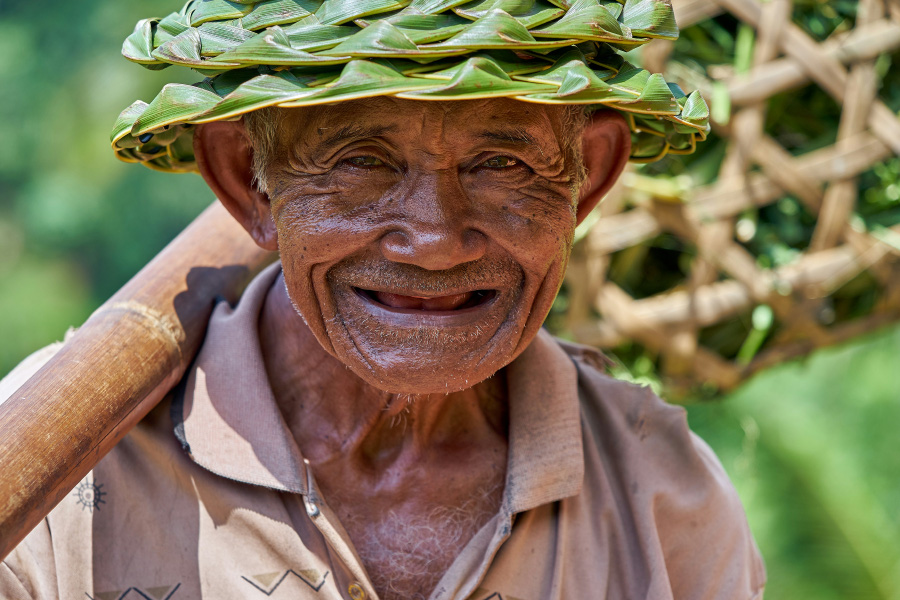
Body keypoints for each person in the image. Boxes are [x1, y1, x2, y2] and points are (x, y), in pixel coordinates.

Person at [0, 2, 765, 599]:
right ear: (245, 179)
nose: (435, 239)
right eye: (361, 161)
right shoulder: (58, 476)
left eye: (500, 162)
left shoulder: (662, 498)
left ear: (587, 178)